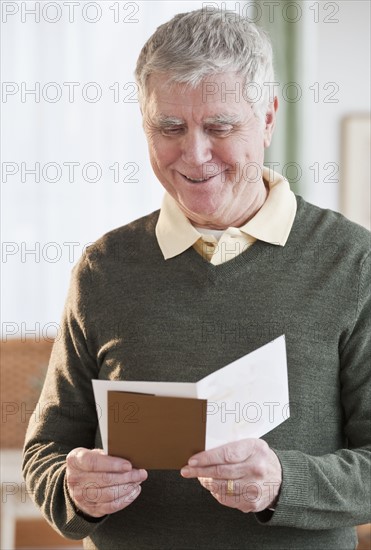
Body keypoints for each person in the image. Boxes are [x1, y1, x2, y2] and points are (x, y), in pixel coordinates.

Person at [23, 8, 370, 550]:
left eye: (220, 127)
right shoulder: (103, 269)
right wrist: (73, 489)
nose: (195, 154)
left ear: (270, 117)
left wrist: (284, 483)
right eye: (170, 128)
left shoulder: (353, 262)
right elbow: (45, 452)